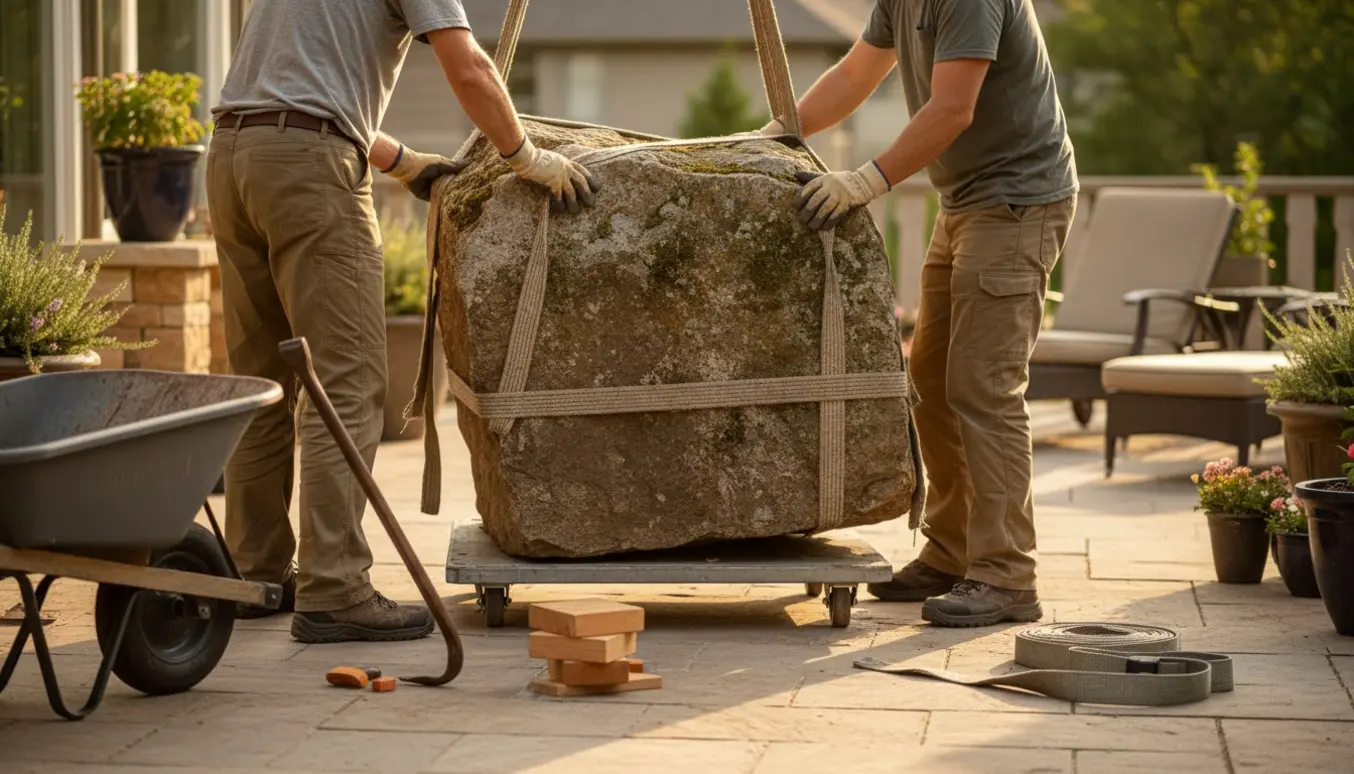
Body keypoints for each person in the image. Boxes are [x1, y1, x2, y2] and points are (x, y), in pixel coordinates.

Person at [208, 0, 598, 643]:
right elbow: (469, 66)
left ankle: (258, 575)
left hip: (232, 157)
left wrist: (399, 160)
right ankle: (333, 590)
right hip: (307, 171)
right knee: (349, 383)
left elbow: (293, 90)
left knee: (264, 384)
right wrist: (526, 157)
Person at [753, 0, 1077, 626]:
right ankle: (953, 551)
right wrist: (778, 133)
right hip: (963, 204)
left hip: (1016, 204)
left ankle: (1007, 575)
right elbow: (853, 76)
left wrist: (867, 181)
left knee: (984, 388)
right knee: (929, 382)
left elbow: (953, 108)